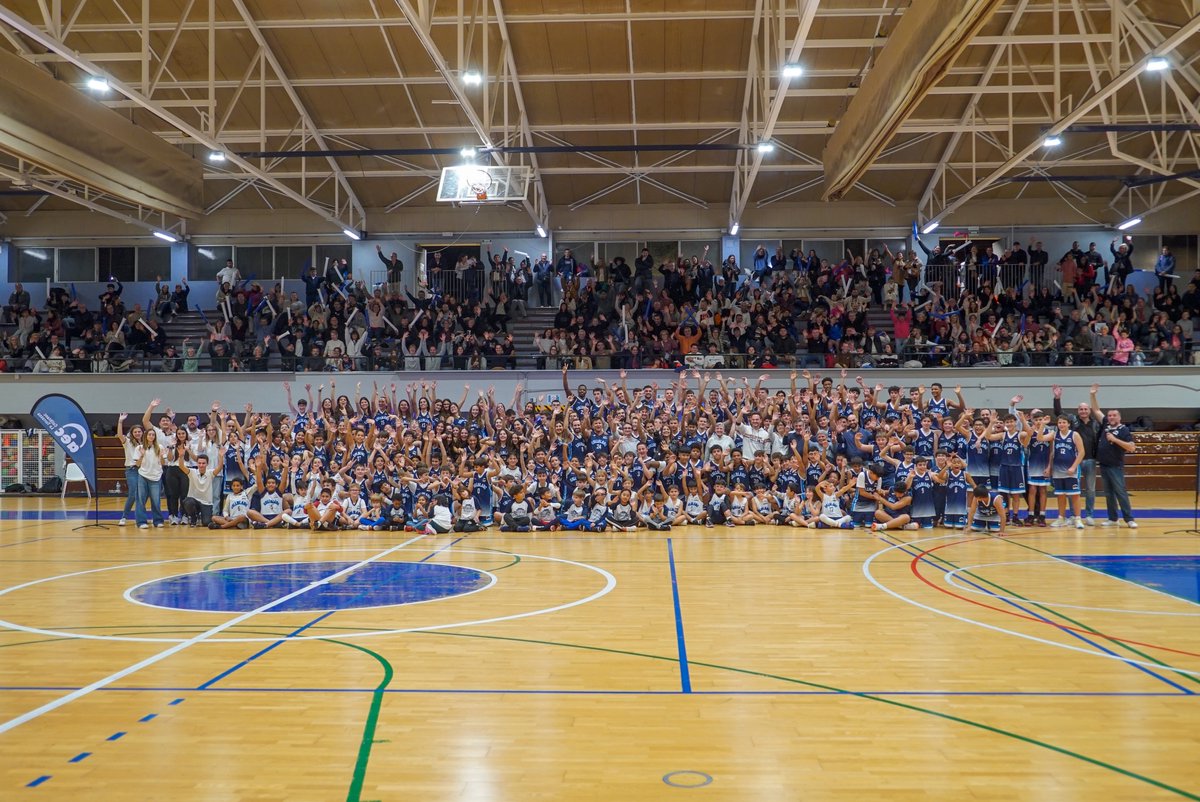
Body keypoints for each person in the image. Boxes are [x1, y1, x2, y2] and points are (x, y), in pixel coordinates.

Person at [1052, 383, 1102, 524]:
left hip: (1090, 460)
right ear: (1077, 411)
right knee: (1071, 490)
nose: (1083, 411)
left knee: (1090, 490)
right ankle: (1074, 516)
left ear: (1089, 410)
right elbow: (1058, 413)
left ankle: (1089, 515)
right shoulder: (1073, 422)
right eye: (1081, 409)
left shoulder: (1095, 424)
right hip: (1074, 461)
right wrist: (1057, 398)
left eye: (1086, 409)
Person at [1093, 390, 1137, 528]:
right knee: (1108, 494)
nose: (1111, 417)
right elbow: (1095, 409)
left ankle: (1129, 519)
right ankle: (1113, 518)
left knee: (1120, 492)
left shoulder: (1124, 430)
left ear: (1119, 417)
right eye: (1109, 415)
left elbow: (1131, 448)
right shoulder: (1105, 424)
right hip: (1104, 465)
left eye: (1114, 415)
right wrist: (1092, 395)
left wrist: (1115, 439)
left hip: (1115, 466)